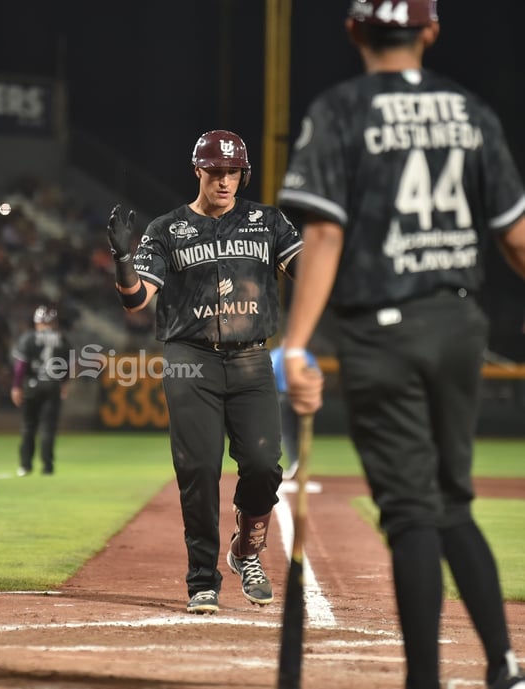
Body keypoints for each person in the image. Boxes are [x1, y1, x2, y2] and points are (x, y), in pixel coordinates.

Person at [277, 1, 525, 687]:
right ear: (431, 31)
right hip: (458, 325)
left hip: (381, 332)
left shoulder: (340, 109)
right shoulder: (471, 111)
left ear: (355, 29)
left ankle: (424, 679)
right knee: (453, 501)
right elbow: (515, 237)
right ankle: (504, 663)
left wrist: (294, 344)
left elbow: (323, 234)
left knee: (412, 511)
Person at [106, 130, 303, 614]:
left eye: (233, 172)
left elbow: (311, 271)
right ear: (198, 171)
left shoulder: (267, 222)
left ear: (243, 174)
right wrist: (123, 257)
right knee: (197, 470)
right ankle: (202, 580)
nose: (224, 181)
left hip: (252, 356)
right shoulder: (167, 230)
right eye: (215, 171)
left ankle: (246, 550)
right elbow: (135, 301)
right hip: (189, 357)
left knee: (263, 467)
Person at [10, 304, 71, 476]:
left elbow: (20, 366)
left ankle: (25, 465)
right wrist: (65, 383)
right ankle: (47, 466)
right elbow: (69, 365)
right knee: (48, 428)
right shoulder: (62, 339)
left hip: (32, 385)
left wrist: (16, 386)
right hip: (53, 386)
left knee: (29, 426)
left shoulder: (28, 338)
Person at [269, 345, 319, 480]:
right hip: (301, 395)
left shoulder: (278, 354)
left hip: (285, 395)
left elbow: (269, 374)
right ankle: (300, 464)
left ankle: (296, 463)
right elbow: (316, 373)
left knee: (286, 431)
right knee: (300, 432)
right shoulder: (305, 355)